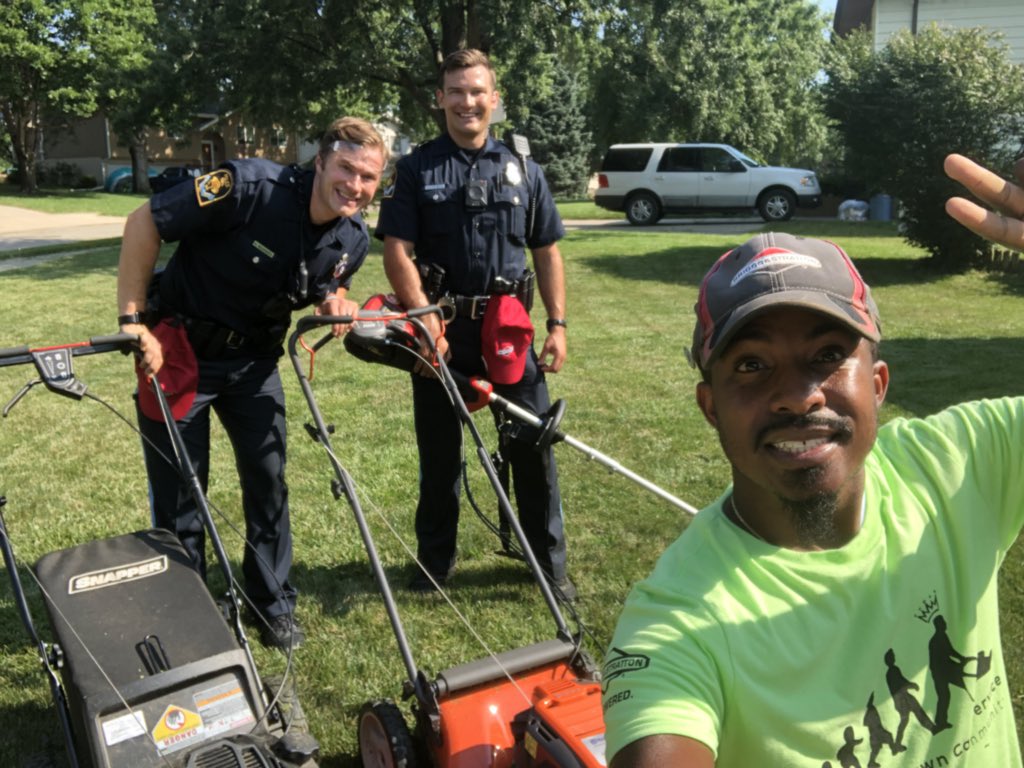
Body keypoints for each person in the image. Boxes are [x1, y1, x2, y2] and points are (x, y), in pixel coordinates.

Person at [601, 227, 1023, 766]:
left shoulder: (961, 466)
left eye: (827, 354)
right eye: (752, 364)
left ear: (877, 383)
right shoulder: (680, 621)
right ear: (711, 407)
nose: (799, 398)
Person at [117, 117, 388, 649]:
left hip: (255, 367)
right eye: (346, 169)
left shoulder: (353, 238)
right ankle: (184, 609)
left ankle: (271, 603)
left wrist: (335, 302)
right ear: (321, 162)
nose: (355, 185)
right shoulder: (245, 187)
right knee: (180, 493)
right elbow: (143, 222)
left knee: (268, 483)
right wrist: (132, 323)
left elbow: (328, 284)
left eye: (369, 177)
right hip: (179, 350)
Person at [375, 49, 573, 597]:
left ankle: (547, 565)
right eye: (456, 92)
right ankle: (435, 564)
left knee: (533, 446)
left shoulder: (524, 169)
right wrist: (422, 318)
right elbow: (398, 250)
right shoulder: (415, 170)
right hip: (440, 331)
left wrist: (556, 324)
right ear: (441, 100)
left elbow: (547, 250)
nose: (467, 101)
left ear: (495, 99)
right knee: (439, 456)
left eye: (477, 91)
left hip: (508, 333)